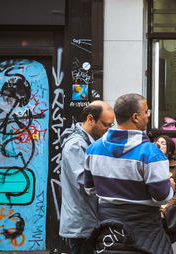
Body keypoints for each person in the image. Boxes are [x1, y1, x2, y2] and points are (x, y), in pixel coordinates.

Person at [83, 93, 174, 254]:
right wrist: (169, 185)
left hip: (107, 235)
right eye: (146, 111)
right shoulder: (152, 154)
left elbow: (90, 189)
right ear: (135, 117)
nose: (148, 115)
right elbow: (162, 197)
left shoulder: (93, 149)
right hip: (145, 236)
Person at [59, 100, 115, 254]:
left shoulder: (92, 143)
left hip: (91, 223)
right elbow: (86, 184)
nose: (109, 129)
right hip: (82, 225)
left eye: (112, 125)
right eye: (106, 124)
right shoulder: (76, 146)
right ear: (90, 119)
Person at [154, 135, 176, 249]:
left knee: (164, 244)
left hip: (168, 212)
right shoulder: (148, 163)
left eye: (163, 143)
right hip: (151, 210)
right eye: (157, 142)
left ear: (169, 149)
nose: (158, 145)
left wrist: (164, 210)